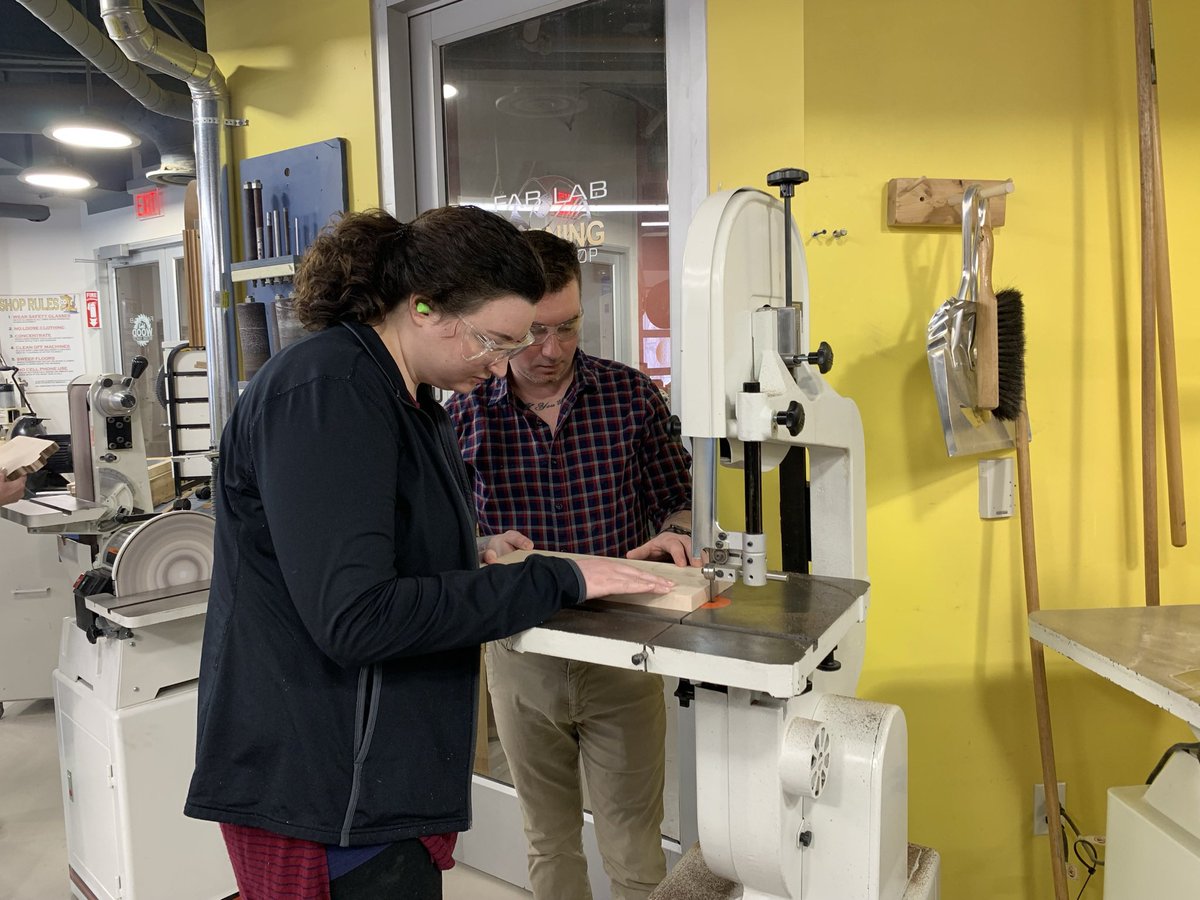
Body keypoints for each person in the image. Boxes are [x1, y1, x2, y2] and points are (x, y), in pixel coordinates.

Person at [183, 207, 676, 900]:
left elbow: (358, 546)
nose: (503, 364)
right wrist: (558, 577)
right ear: (423, 307)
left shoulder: (408, 400)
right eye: (493, 341)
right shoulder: (329, 391)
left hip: (377, 774)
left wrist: (469, 550)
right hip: (327, 789)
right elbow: (356, 616)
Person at [446, 229, 697, 900]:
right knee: (548, 842)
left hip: (623, 651)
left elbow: (677, 499)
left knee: (635, 849)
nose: (552, 350)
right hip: (522, 654)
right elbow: (443, 538)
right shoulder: (463, 415)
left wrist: (673, 536)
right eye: (534, 332)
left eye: (567, 328)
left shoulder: (630, 397)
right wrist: (481, 544)